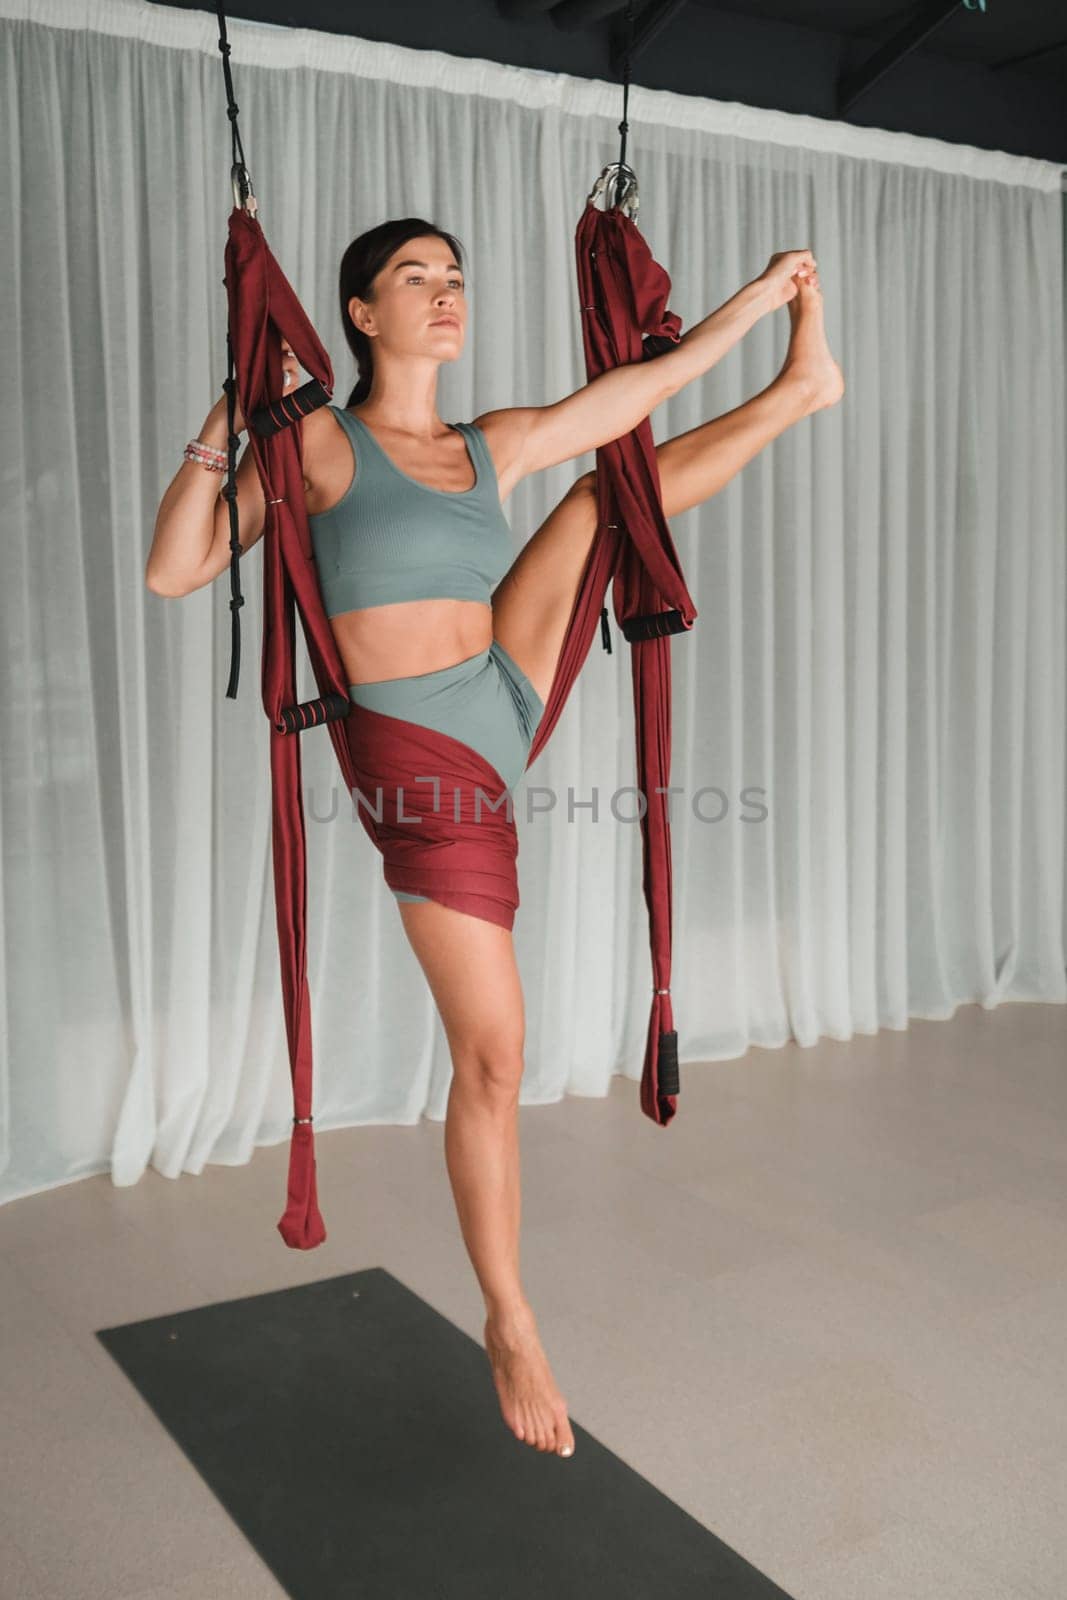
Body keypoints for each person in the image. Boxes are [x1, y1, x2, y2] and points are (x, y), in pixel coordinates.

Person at [146, 219, 843, 1461]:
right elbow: (176, 566)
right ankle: (509, 1317)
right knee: (494, 1058)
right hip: (419, 766)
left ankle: (801, 392)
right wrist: (227, 406)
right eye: (415, 278)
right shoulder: (316, 442)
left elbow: (637, 391)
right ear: (359, 315)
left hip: (500, 696)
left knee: (596, 493)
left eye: (456, 277)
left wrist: (752, 310)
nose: (445, 295)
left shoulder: (485, 444)